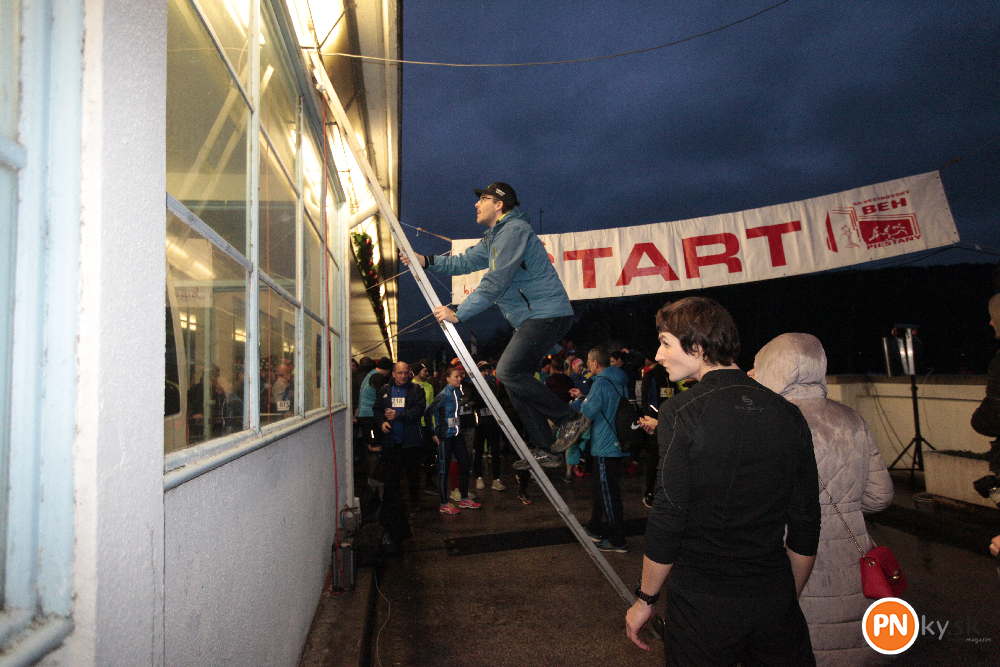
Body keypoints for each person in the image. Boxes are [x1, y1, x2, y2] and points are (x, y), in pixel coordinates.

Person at [625, 297, 820, 665]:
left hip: (703, 603)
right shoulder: (788, 414)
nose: (659, 355)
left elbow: (669, 515)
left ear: (698, 347)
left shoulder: (681, 411)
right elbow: (806, 520)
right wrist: (786, 597)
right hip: (774, 595)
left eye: (665, 342)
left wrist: (645, 599)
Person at [400, 182, 590, 465]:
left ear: (499, 204)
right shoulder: (496, 237)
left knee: (508, 371)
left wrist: (459, 313)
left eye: (483, 199)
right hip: (534, 317)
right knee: (514, 380)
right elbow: (463, 262)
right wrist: (425, 261)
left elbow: (496, 281)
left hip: (545, 314)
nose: (476, 204)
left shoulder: (513, 231)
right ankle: (547, 447)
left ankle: (569, 418)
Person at [752, 333, 894, 665]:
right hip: (853, 558)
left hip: (791, 557)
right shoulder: (852, 419)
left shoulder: (766, 422)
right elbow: (880, 495)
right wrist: (844, 507)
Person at [577, 346, 630, 553]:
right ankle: (595, 527)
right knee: (602, 489)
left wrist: (581, 401)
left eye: (588, 362)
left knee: (608, 493)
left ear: (594, 363)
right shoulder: (619, 379)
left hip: (605, 445)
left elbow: (589, 410)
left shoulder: (600, 382)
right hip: (619, 441)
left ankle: (618, 540)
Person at [372, 362, 427, 554]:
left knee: (412, 475)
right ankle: (396, 515)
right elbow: (377, 410)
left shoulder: (416, 390)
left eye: (406, 373)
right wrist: (382, 423)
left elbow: (419, 411)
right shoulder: (385, 390)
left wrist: (399, 414)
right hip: (392, 443)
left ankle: (414, 505)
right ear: (394, 374)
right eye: (400, 373)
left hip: (410, 443)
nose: (403, 376)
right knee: (392, 481)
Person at [427, 366, 481, 515]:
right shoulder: (443, 395)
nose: (459, 379)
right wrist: (433, 433)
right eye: (456, 376)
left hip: (457, 435)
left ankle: (464, 498)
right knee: (443, 469)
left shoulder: (457, 392)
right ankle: (444, 503)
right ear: (448, 378)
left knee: (465, 463)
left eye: (460, 376)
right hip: (445, 436)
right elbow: (429, 412)